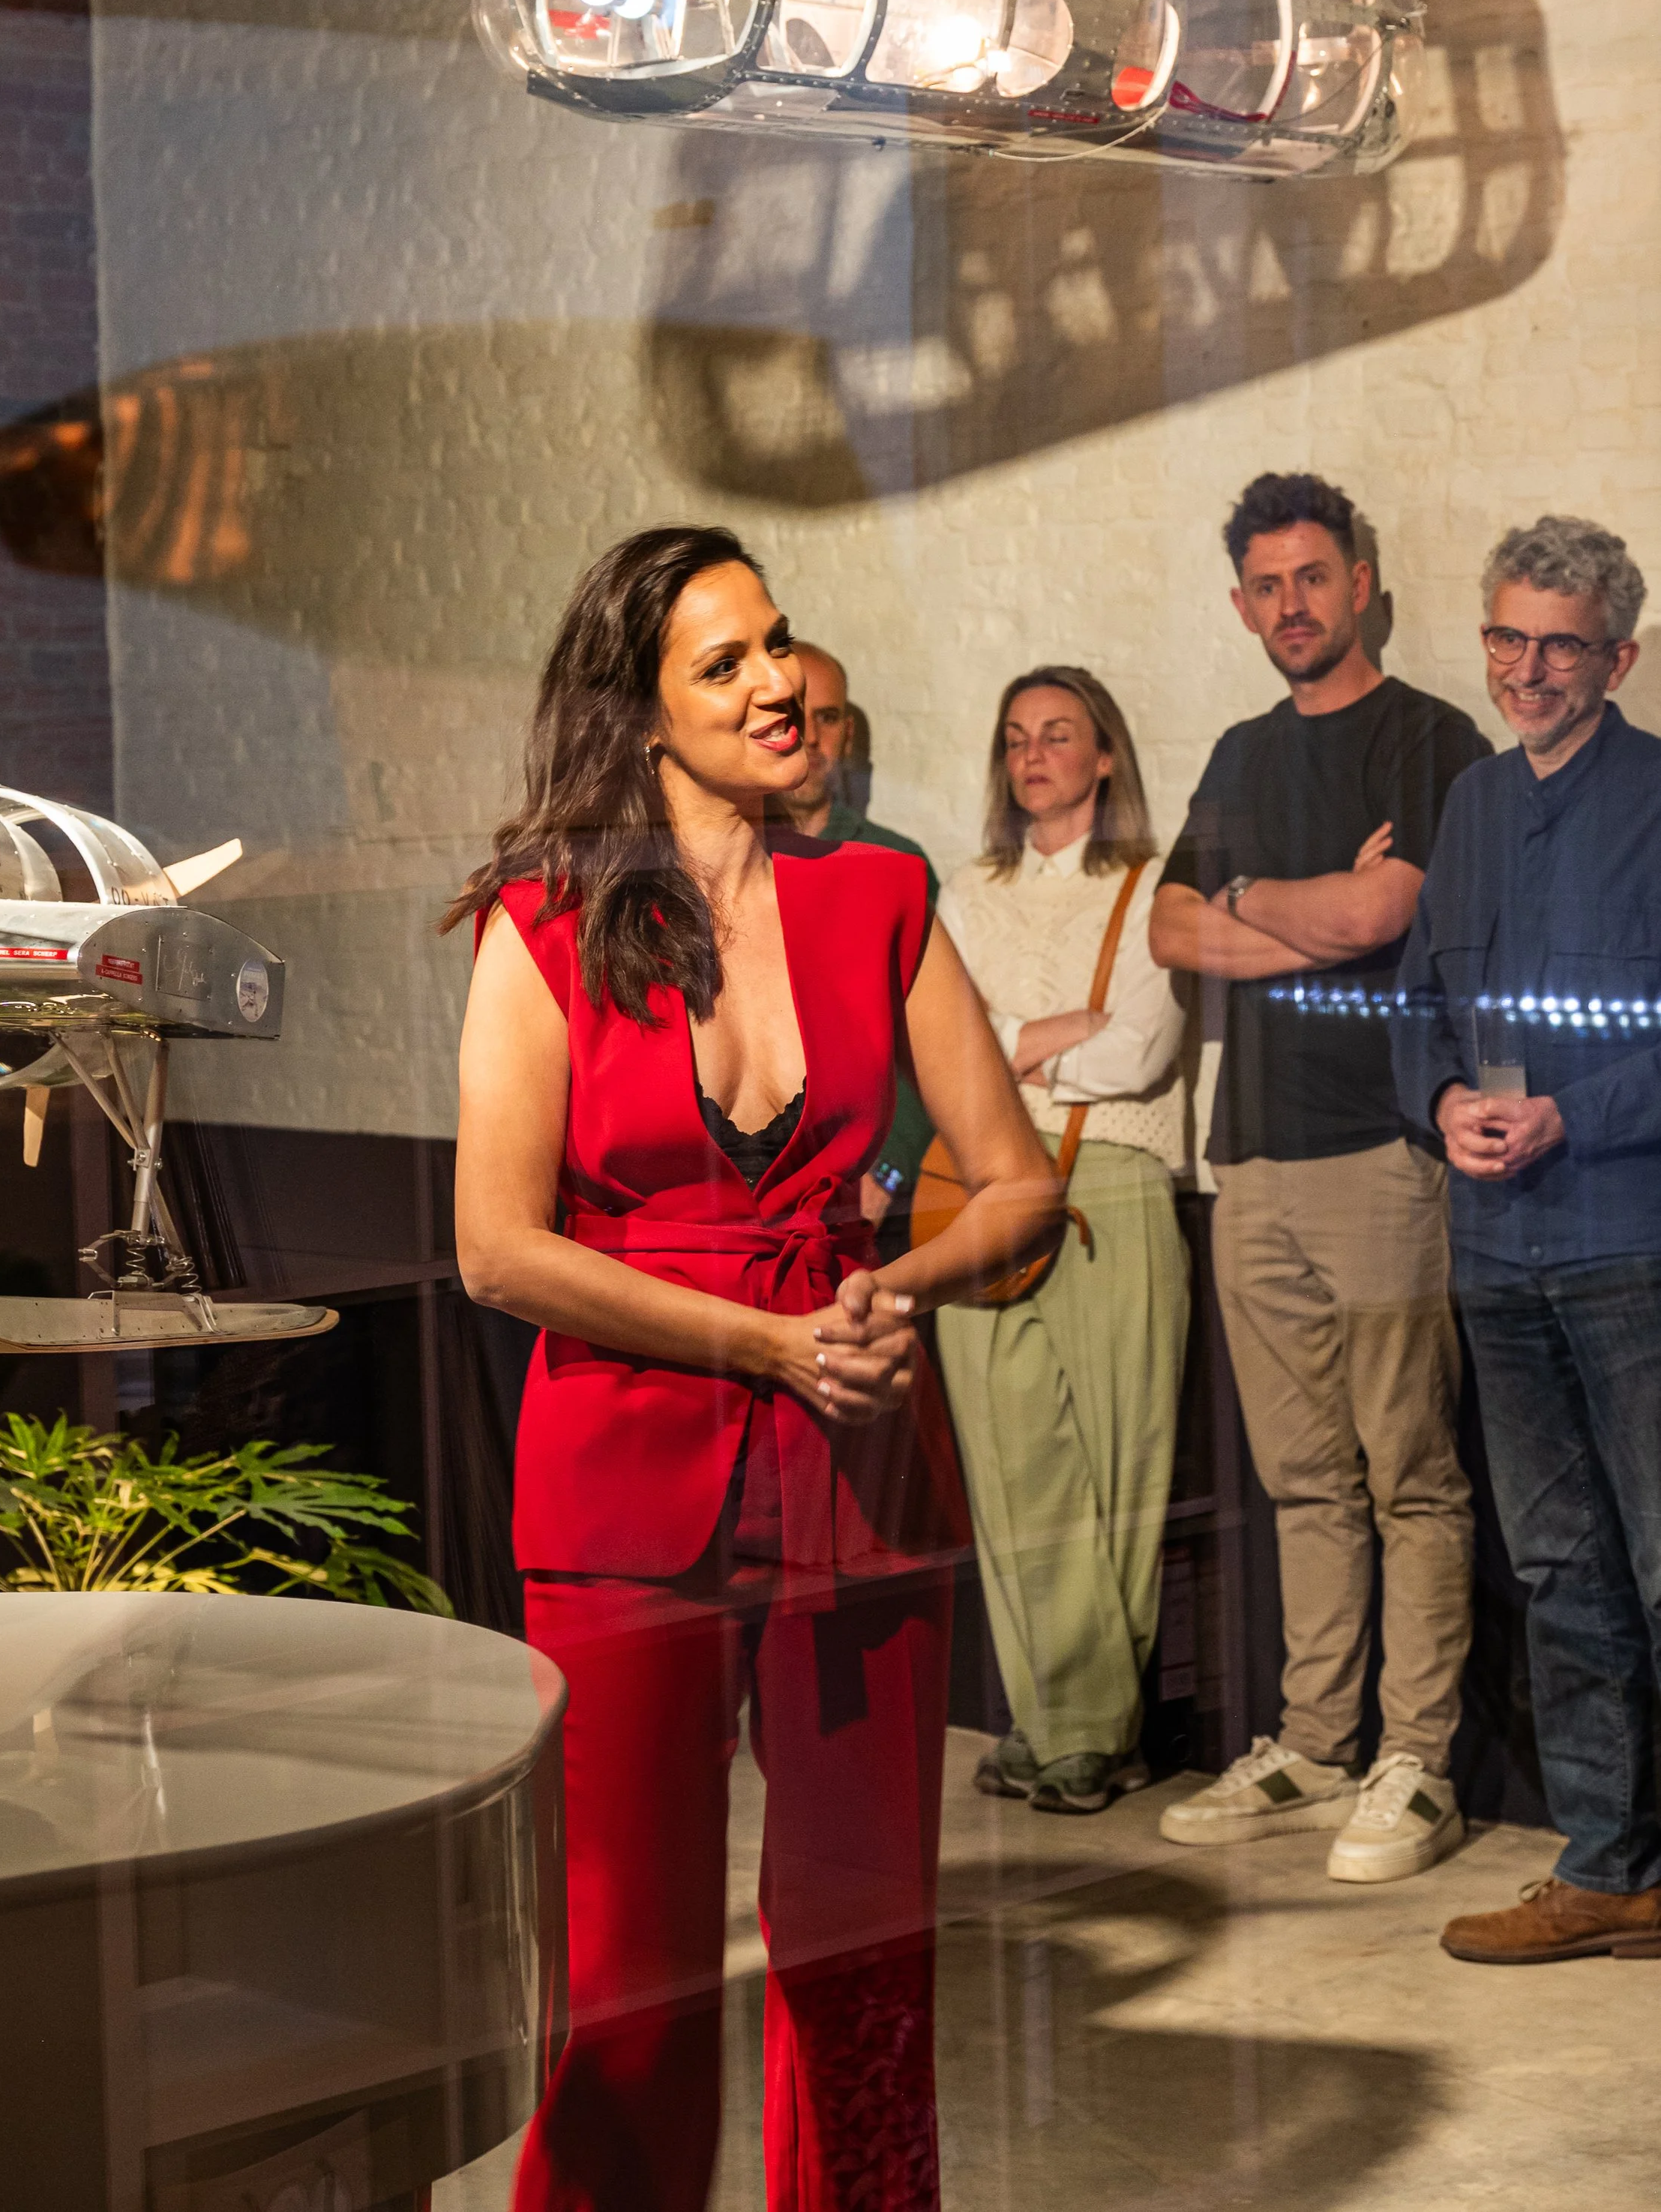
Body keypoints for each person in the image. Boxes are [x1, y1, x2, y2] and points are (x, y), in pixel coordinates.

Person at [448, 525, 1058, 2211]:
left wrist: (896, 1290)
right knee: (626, 1969)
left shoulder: (879, 896)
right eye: (721, 663)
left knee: (863, 1950)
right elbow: (497, 1247)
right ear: (639, 713)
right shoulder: (545, 923)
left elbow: (1017, 1190)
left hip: (858, 1473)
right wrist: (765, 1338)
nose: (776, 682)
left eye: (775, 642)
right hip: (622, 1482)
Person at [1149, 470, 1489, 1883]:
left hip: (1383, 1147)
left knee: (1410, 1470)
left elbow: (1390, 905)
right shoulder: (1238, 752)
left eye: (1313, 576)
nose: (1293, 603)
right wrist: (1291, 916)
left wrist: (1268, 909)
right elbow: (1170, 925)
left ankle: (1417, 1760)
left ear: (1360, 583)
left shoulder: (1430, 736)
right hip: (1253, 1155)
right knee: (1303, 1478)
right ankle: (1313, 1736)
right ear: (1243, 605)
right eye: (1267, 585)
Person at [1392, 516, 1661, 1965]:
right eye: (1507, 635)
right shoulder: (1474, 805)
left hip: (1634, 1243)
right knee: (1560, 1570)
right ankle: (1612, 1866)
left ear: (1617, 654)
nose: (1528, 666)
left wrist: (1579, 1115)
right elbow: (1421, 1015)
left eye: (1560, 641)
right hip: (1493, 1252)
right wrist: (1442, 1101)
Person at [935, 665, 1190, 1814]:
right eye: (1017, 738)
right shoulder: (962, 891)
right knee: (1012, 1462)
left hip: (1119, 1182)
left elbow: (1141, 1053)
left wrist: (1004, 1041)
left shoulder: (1154, 888)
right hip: (979, 1188)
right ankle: (1064, 1719)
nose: (1035, 753)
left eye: (1060, 734)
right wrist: (1051, 1032)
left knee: (1118, 1464)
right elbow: (938, 1046)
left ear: (1104, 756)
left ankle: (1081, 1733)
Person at [784, 638, 939, 1231]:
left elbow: (929, 1039)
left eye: (827, 718)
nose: (813, 736)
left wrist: (891, 1168)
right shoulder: (725, 862)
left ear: (847, 733)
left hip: (869, 1192)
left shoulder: (895, 864)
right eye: (796, 715)